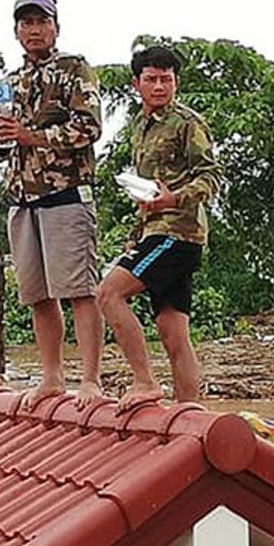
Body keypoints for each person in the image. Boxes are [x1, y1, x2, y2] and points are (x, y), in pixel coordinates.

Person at [0, 0, 105, 409]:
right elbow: (2, 149)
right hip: (21, 198)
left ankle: (90, 379)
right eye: (26, 23)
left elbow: (89, 128)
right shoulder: (9, 82)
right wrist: (1, 131)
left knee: (79, 290)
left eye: (41, 21)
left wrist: (31, 135)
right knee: (37, 295)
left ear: (56, 26)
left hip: (65, 193)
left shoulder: (75, 69)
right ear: (16, 31)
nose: (33, 29)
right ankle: (52, 377)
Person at [96, 45, 220, 412]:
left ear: (176, 82)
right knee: (173, 334)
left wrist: (173, 199)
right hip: (154, 232)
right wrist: (138, 228)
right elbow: (148, 189)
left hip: (177, 234)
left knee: (108, 294)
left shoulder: (187, 122)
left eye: (166, 79)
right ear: (137, 84)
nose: (160, 86)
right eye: (151, 79)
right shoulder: (140, 127)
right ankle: (189, 414)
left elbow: (211, 176)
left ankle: (145, 382)